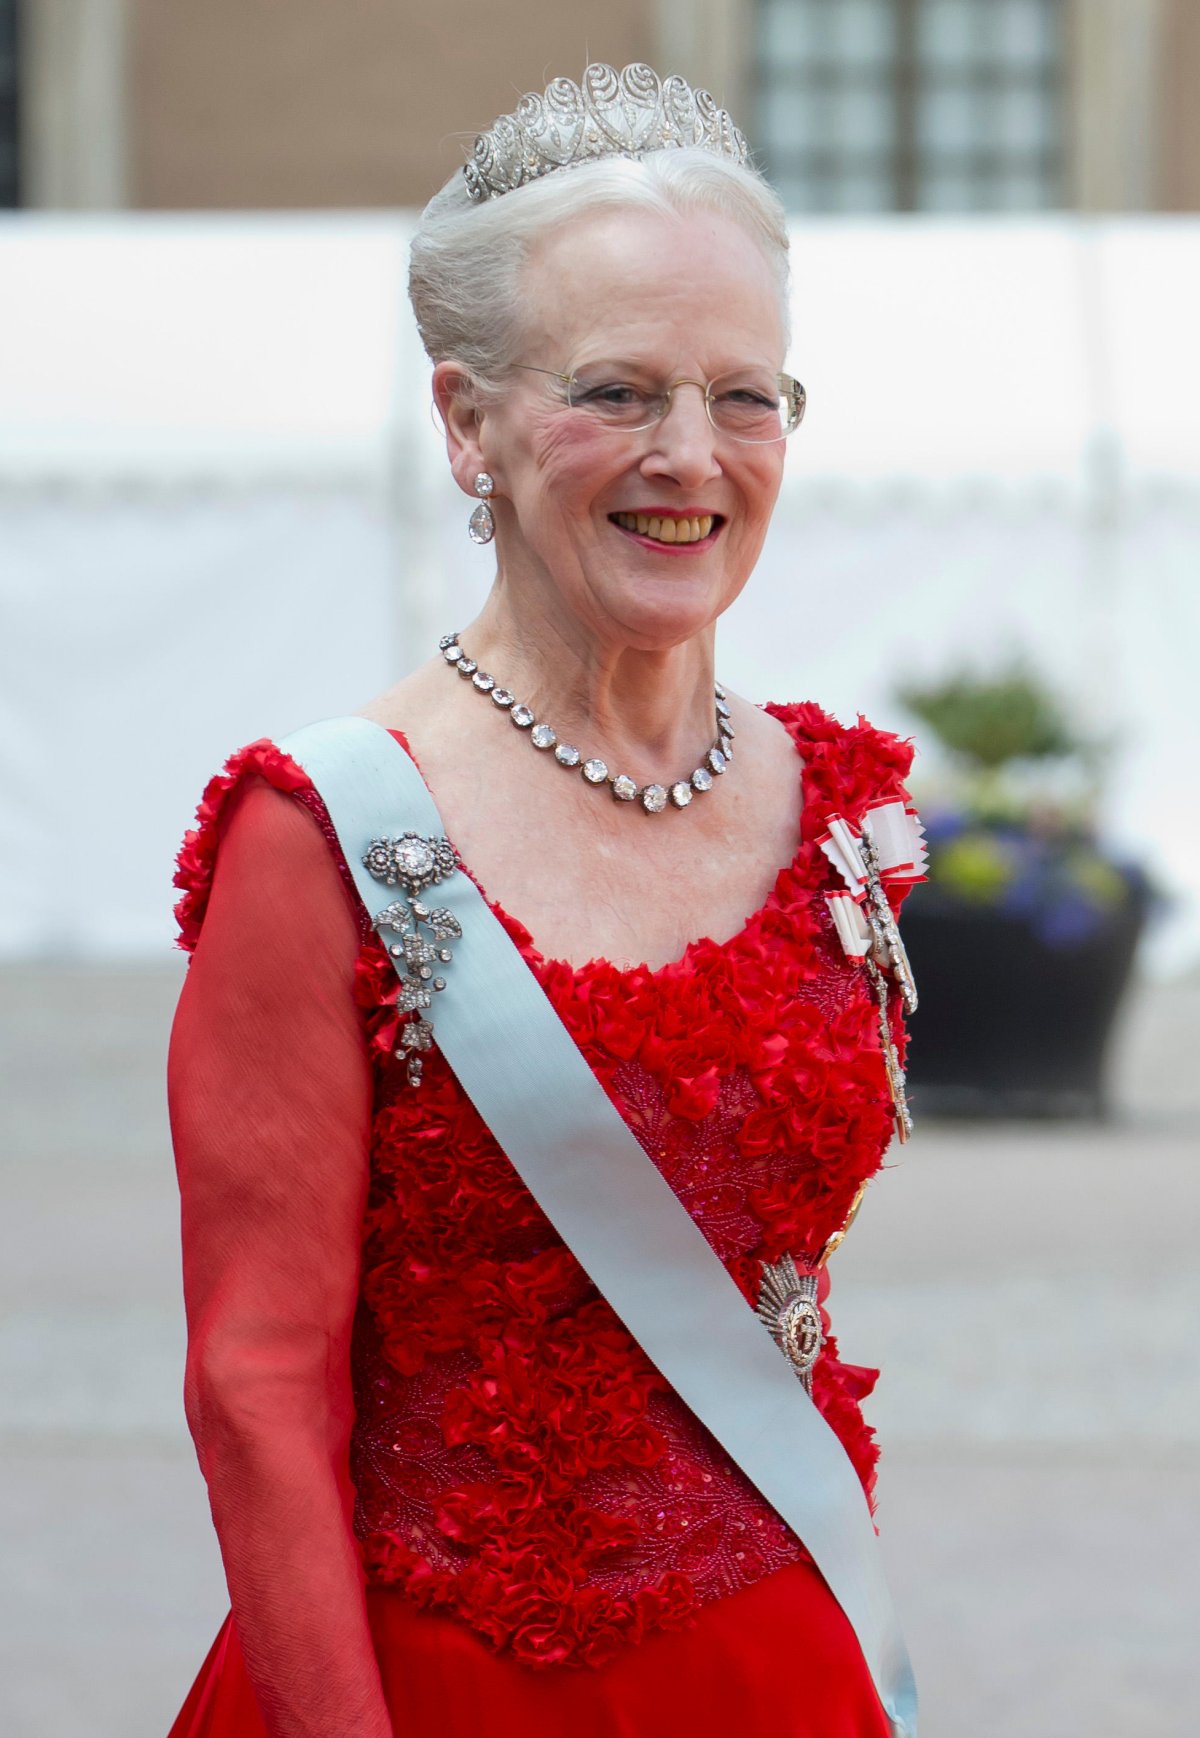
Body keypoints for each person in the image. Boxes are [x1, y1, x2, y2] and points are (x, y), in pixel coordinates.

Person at [166, 63, 924, 1738]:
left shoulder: (835, 807)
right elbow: (255, 1386)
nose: (689, 457)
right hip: (433, 1686)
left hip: (784, 1673)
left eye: (744, 396)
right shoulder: (322, 834)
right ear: (469, 424)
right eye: (616, 390)